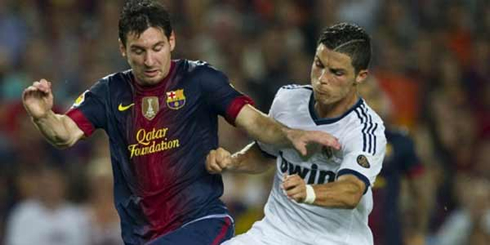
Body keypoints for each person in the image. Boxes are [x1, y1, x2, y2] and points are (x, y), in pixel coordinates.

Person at [21, 1, 340, 244]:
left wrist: (291, 135)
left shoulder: (199, 79)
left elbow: (255, 123)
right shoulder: (108, 92)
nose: (149, 60)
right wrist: (43, 116)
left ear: (171, 40)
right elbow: (64, 134)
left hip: (202, 222)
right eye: (139, 51)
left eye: (157, 48)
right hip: (143, 236)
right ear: (123, 49)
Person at [206, 22, 386, 245]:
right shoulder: (288, 99)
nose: (322, 79)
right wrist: (233, 161)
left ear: (360, 76)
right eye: (319, 65)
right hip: (275, 233)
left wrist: (308, 192)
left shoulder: (366, 129)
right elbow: (266, 154)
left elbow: (351, 191)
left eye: (336, 73)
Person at [359, 77, 431, 245]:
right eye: (361, 97)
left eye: (373, 96)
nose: (368, 104)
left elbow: (421, 192)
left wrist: (418, 231)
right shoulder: (333, 143)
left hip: (389, 236)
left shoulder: (400, 143)